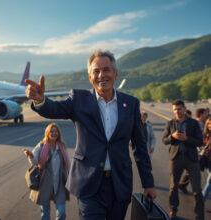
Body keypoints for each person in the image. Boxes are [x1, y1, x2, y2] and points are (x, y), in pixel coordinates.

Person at [25, 50, 156, 220]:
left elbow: (140, 147)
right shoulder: (78, 99)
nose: (102, 75)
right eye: (96, 71)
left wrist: (148, 183)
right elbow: (55, 109)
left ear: (115, 73)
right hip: (89, 184)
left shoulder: (130, 104)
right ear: (90, 77)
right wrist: (40, 100)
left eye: (106, 70)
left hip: (119, 184)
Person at [162, 100, 204, 219]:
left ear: (185, 109)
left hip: (191, 159)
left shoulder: (194, 123)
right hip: (176, 159)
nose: (177, 111)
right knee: (173, 187)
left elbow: (200, 141)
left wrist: (186, 138)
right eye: (175, 109)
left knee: (197, 190)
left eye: (179, 109)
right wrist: (172, 137)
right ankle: (173, 209)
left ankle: (199, 216)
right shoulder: (170, 123)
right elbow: (164, 140)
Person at [23, 123, 70, 220]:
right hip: (44, 183)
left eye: (56, 131)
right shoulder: (41, 146)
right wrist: (30, 156)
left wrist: (70, 177)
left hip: (59, 183)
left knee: (62, 213)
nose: (54, 133)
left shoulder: (62, 146)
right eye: (51, 131)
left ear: (58, 134)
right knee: (45, 213)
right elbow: (35, 162)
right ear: (47, 133)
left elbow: (68, 163)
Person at [202, 119, 211, 202]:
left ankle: (202, 198)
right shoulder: (206, 135)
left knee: (210, 181)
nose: (210, 125)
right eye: (209, 124)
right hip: (208, 161)